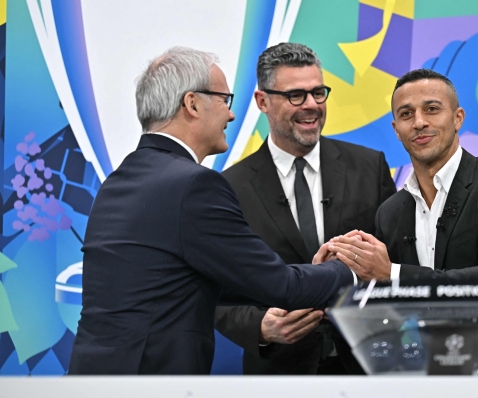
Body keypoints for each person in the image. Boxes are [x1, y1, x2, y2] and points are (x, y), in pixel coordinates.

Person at [68, 47, 382, 375]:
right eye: (223, 100)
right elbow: (282, 286)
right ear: (192, 104)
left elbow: (179, 282)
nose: (231, 115)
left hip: (93, 376)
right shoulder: (194, 185)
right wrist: (355, 270)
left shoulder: (118, 181)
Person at [327, 68, 478, 375]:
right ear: (396, 129)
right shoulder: (390, 212)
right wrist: (341, 281)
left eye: (432, 109)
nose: (419, 122)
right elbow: (390, 310)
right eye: (406, 114)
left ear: (458, 118)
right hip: (441, 372)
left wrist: (392, 273)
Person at [214, 43, 397, 375]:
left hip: (367, 367)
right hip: (278, 372)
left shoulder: (370, 168)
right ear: (262, 101)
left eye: (318, 93)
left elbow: (395, 263)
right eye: (296, 95)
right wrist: (259, 327)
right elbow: (213, 289)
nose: (312, 105)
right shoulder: (230, 187)